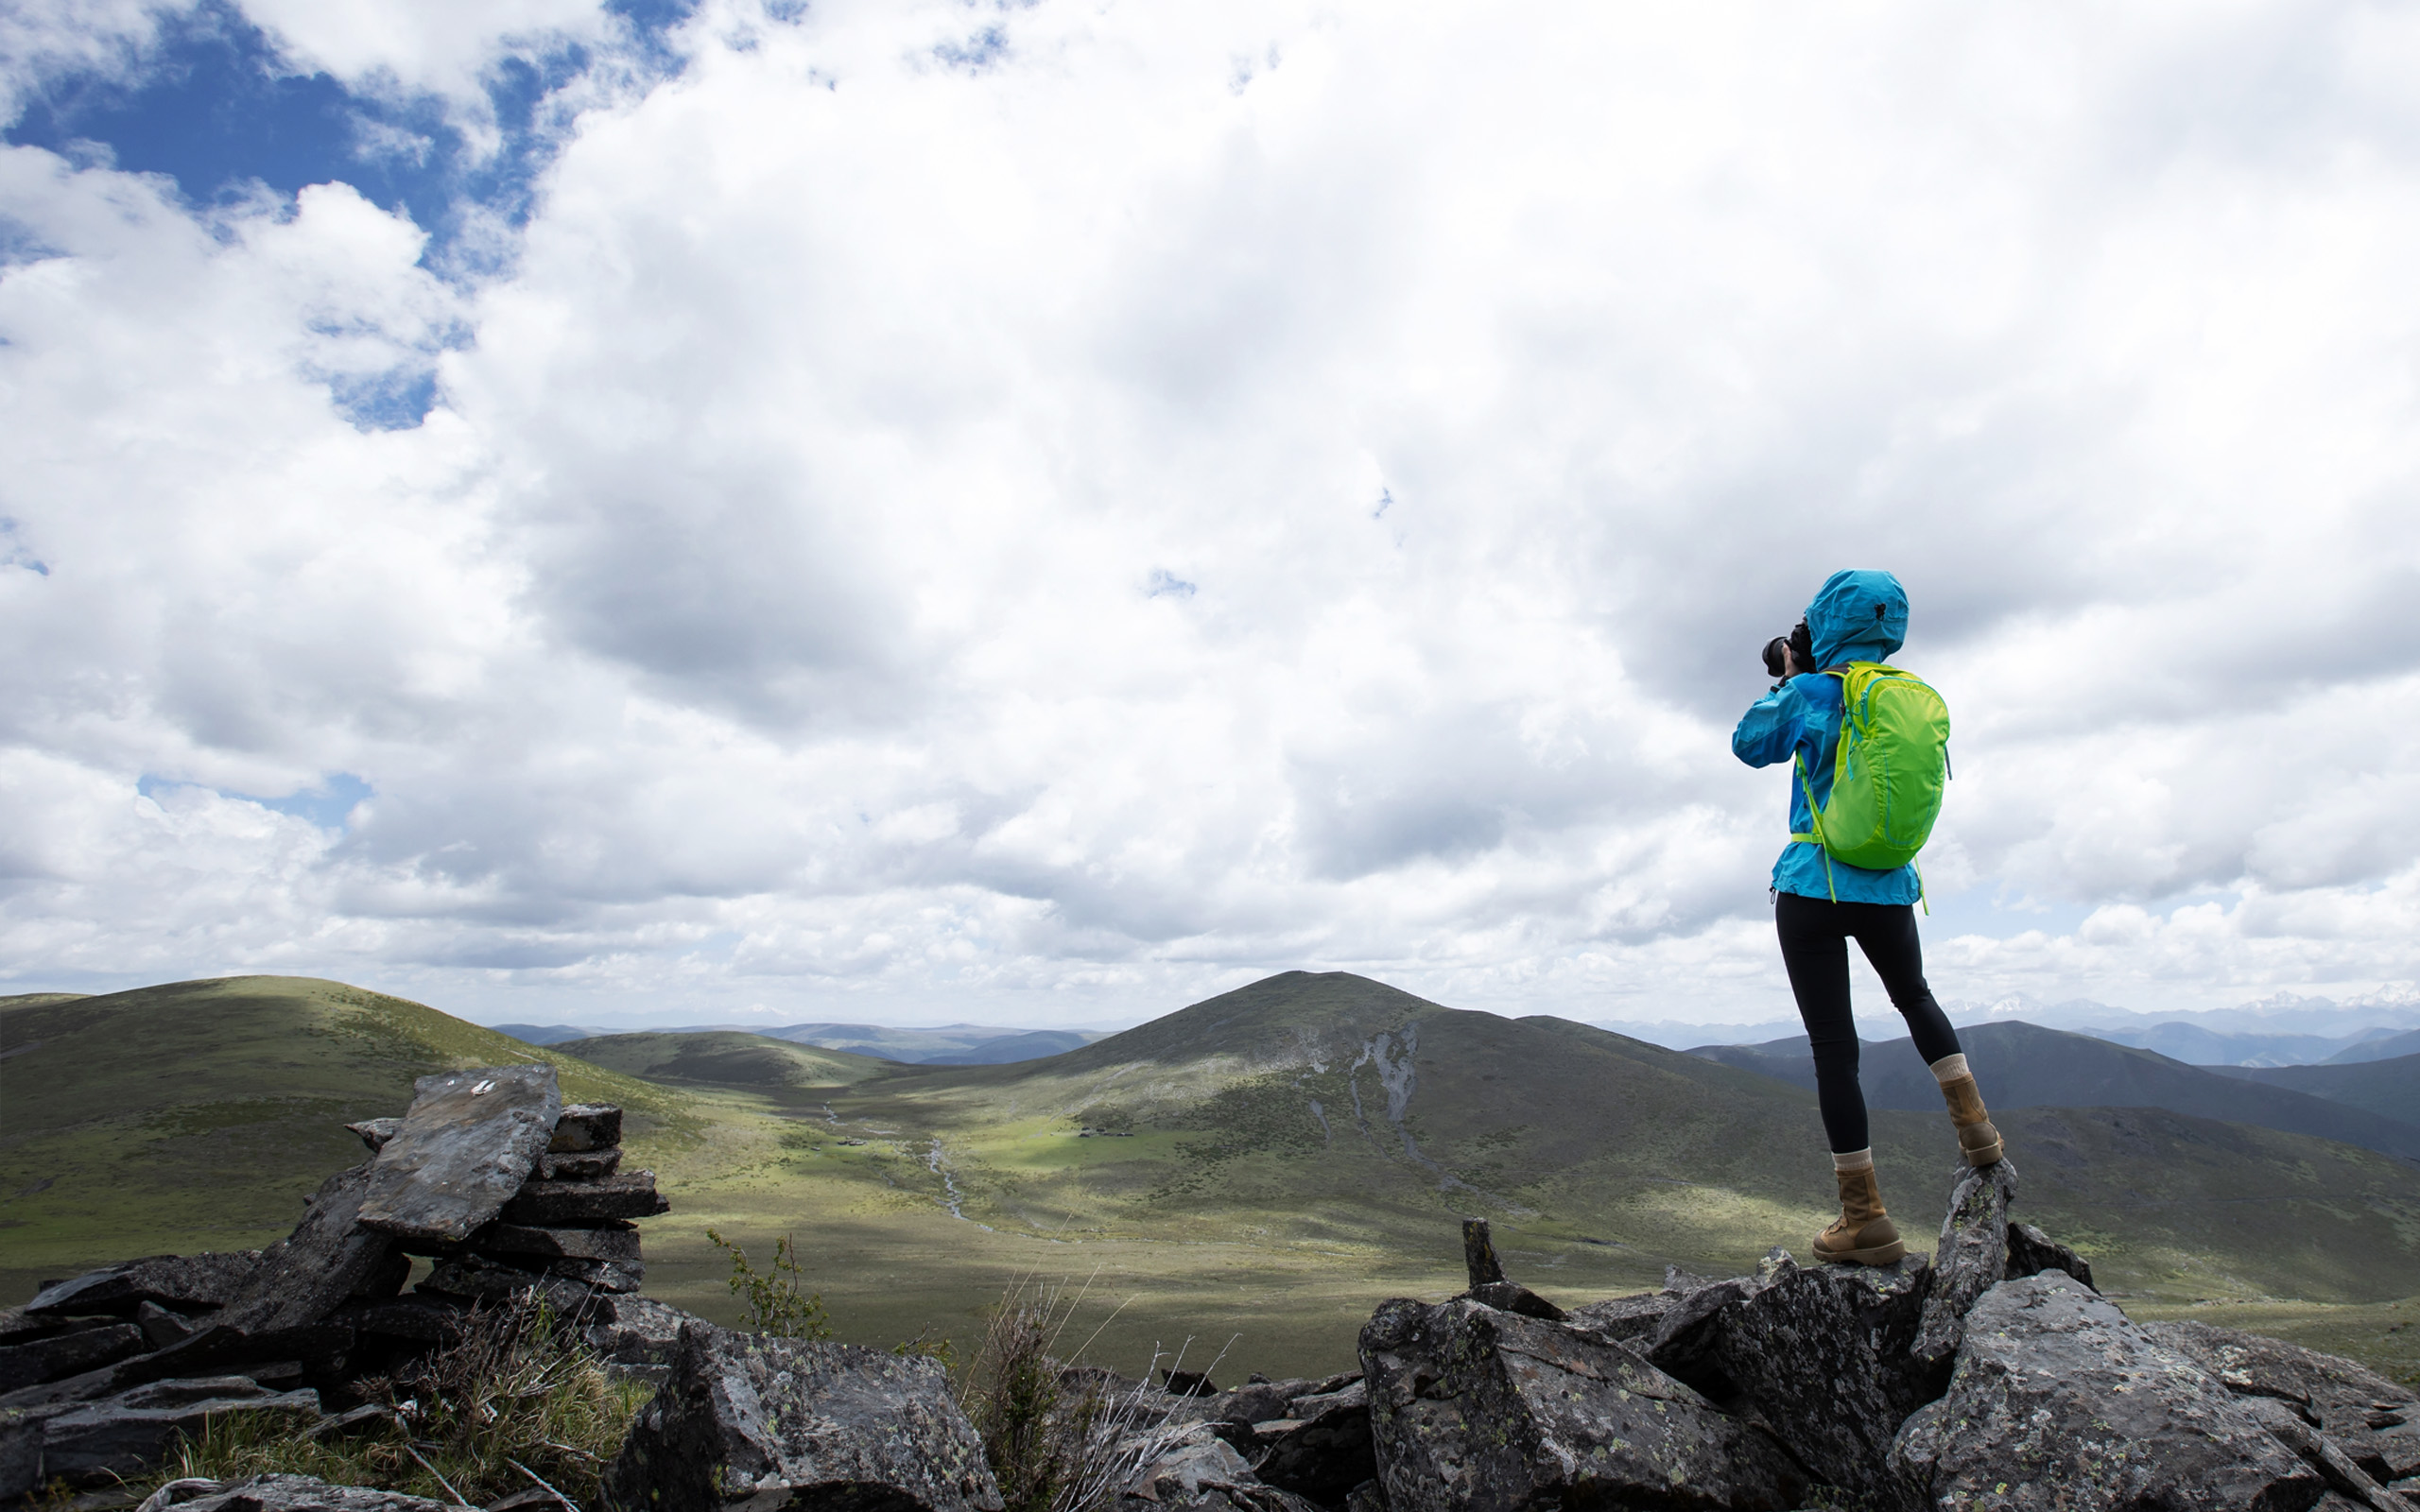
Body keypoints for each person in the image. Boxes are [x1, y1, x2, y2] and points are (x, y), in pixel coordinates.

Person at [1731, 569, 2003, 1267]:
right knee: (1914, 996)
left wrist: (1791, 679)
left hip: (1813, 885)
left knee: (1834, 1049)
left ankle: (1865, 1218)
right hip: (1887, 886)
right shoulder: (1905, 696)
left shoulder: (1814, 690)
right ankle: (1977, 1132)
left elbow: (1748, 744)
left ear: (1823, 625)